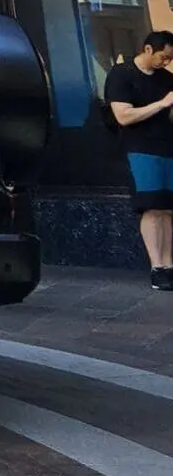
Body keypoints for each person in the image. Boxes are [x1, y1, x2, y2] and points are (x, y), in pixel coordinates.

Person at [105, 30, 173, 289]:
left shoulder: (167, 79)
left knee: (167, 208)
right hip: (140, 148)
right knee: (152, 206)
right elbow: (123, 116)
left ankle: (169, 264)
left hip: (168, 146)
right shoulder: (122, 74)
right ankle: (157, 267)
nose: (165, 63)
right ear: (147, 49)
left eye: (169, 59)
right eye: (162, 57)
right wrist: (162, 104)